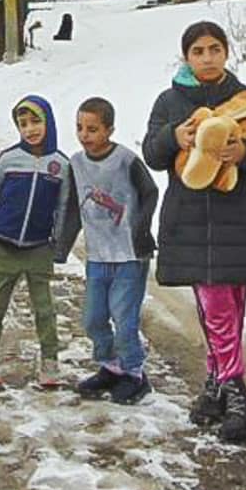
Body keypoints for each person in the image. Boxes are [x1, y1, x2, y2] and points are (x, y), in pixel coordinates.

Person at [142, 21, 246, 442]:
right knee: (215, 302)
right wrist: (174, 136)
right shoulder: (170, 101)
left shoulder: (245, 100)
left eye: (214, 49)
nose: (207, 58)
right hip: (189, 218)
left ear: (226, 52)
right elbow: (151, 152)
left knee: (232, 306)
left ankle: (216, 385)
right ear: (186, 56)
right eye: (198, 51)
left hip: (237, 214)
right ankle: (239, 395)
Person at [57, 97, 159, 405]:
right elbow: (72, 206)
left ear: (109, 130)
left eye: (92, 129)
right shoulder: (75, 164)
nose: (84, 135)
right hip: (98, 256)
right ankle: (110, 365)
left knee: (123, 317)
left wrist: (141, 228)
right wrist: (61, 246)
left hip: (129, 255)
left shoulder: (126, 160)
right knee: (93, 318)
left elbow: (150, 192)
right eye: (79, 128)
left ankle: (134, 374)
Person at [0, 96, 73, 389]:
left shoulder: (61, 165)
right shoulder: (9, 159)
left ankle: (50, 362)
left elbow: (65, 208)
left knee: (44, 309)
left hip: (38, 248)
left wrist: (57, 244)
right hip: (3, 246)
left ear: (49, 122)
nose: (30, 129)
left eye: (36, 122)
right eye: (23, 124)